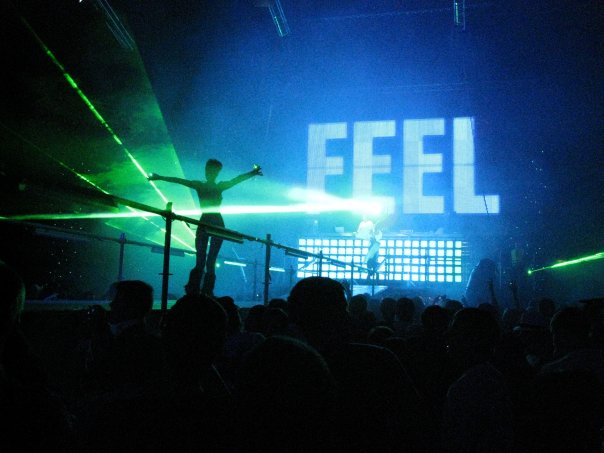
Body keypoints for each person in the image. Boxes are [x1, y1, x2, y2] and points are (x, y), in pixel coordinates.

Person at [149, 160, 262, 296]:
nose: (209, 173)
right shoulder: (212, 186)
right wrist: (160, 177)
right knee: (205, 260)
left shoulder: (205, 185)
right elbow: (236, 179)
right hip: (213, 222)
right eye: (209, 170)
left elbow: (236, 180)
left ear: (215, 172)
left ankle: (198, 291)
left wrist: (160, 177)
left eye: (211, 170)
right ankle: (203, 292)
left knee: (205, 260)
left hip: (210, 222)